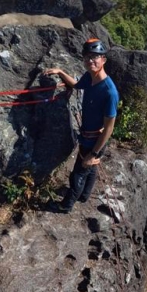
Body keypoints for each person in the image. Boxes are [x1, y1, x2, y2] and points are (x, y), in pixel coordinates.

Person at [44, 38, 119, 212]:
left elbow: (109, 128)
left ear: (103, 59)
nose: (90, 61)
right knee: (90, 168)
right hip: (89, 136)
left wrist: (93, 153)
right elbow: (77, 85)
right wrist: (61, 72)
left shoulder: (109, 92)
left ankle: (65, 205)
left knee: (80, 170)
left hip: (95, 140)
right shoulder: (90, 77)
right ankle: (84, 196)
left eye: (95, 57)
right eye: (87, 57)